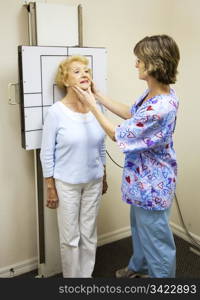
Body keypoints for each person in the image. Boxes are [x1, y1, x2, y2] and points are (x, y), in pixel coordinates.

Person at [72, 34, 180, 278]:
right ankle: (139, 267)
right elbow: (132, 114)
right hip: (141, 180)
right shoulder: (154, 94)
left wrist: (90, 104)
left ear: (154, 63)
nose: (136, 64)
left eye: (139, 60)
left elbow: (117, 134)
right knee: (141, 230)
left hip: (153, 184)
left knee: (157, 241)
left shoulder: (161, 107)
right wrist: (98, 95)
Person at [40, 55, 108, 278]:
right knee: (70, 238)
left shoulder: (98, 109)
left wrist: (104, 175)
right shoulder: (56, 112)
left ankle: (85, 278)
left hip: (94, 181)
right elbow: (46, 152)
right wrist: (50, 186)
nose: (84, 74)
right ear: (66, 80)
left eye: (86, 70)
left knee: (89, 233)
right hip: (66, 183)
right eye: (77, 71)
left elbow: (100, 146)